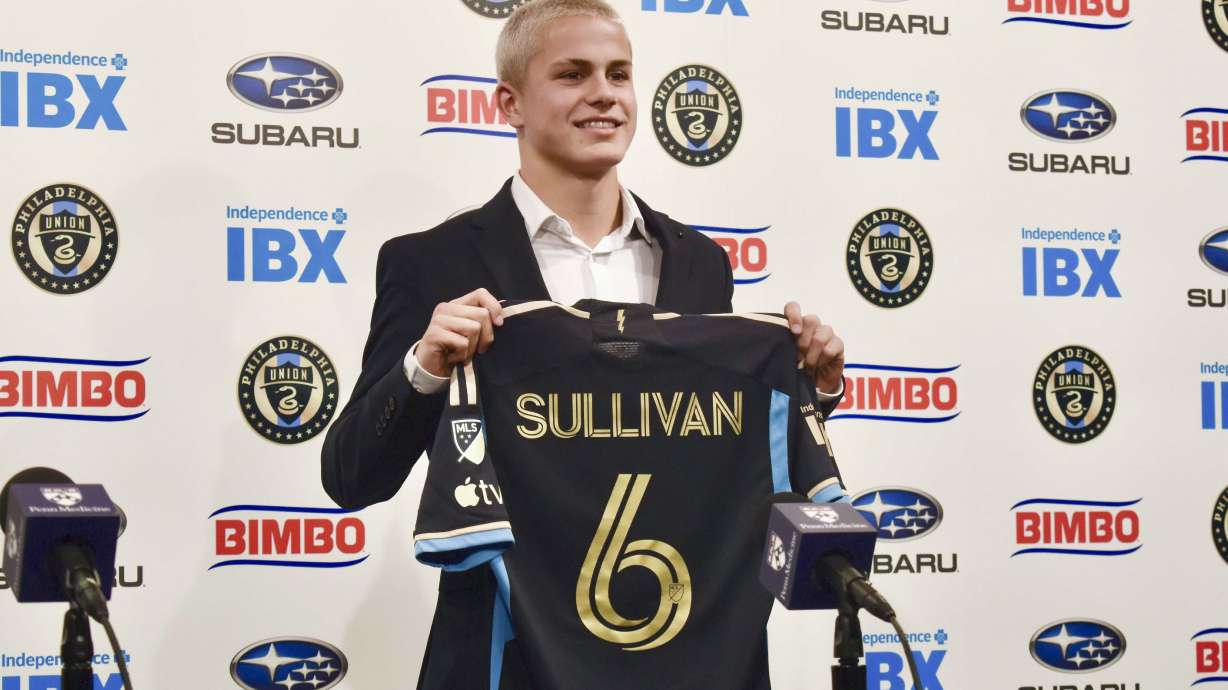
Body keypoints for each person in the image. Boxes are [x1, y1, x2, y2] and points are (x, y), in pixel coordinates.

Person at [320, 0, 846, 686]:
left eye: (619, 74)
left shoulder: (700, 263)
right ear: (510, 102)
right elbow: (352, 476)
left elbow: (721, 453)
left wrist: (815, 386)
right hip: (512, 657)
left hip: (692, 648)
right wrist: (422, 368)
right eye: (572, 74)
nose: (604, 93)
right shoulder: (433, 264)